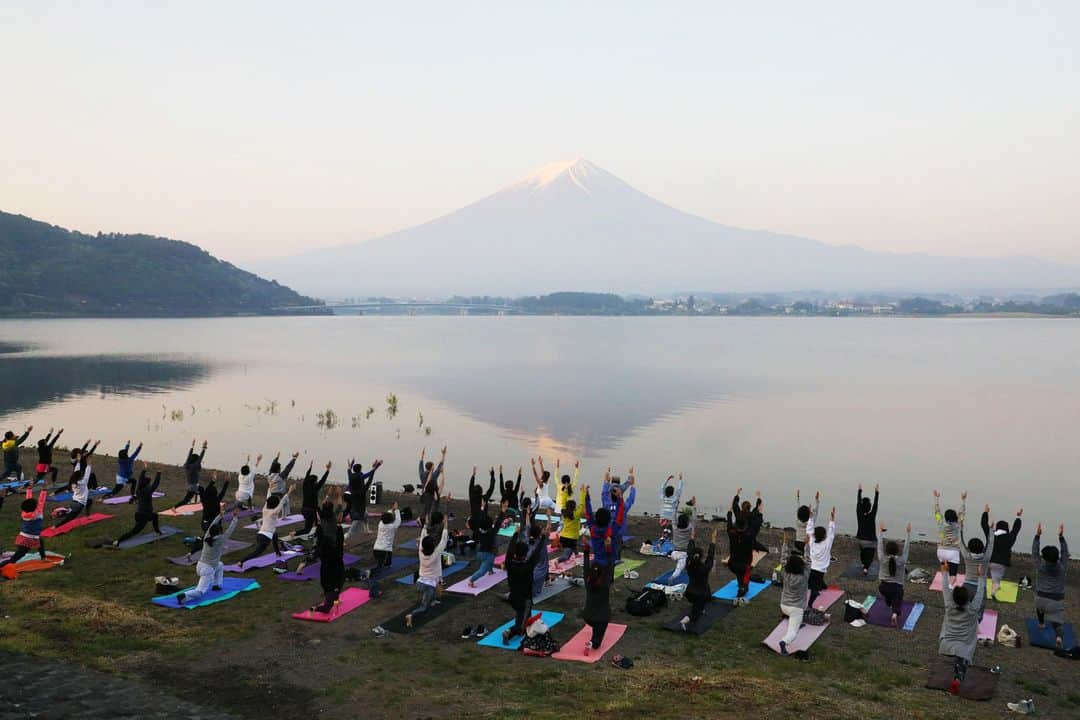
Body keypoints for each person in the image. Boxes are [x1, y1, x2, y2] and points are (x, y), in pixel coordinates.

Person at [501, 514, 552, 644]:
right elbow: (535, 554)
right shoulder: (527, 566)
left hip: (513, 596)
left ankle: (519, 627)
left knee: (521, 615)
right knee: (522, 625)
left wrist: (515, 536)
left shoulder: (510, 564)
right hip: (524, 599)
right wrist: (543, 538)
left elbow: (509, 552)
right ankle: (510, 632)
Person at [938, 560, 985, 695]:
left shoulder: (949, 604)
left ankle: (957, 671)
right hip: (964, 646)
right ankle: (958, 678)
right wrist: (981, 576)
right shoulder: (973, 609)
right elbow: (980, 592)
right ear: (967, 599)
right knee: (963, 657)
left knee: (958, 657)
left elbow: (945, 587)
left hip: (945, 644)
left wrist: (945, 571)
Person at [177, 508, 240, 605]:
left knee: (220, 565)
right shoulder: (220, 540)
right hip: (208, 569)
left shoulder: (207, 536)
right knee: (200, 592)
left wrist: (219, 516)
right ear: (219, 532)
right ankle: (184, 595)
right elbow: (230, 530)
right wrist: (235, 517)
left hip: (200, 565)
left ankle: (216, 585)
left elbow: (211, 526)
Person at [404, 517, 450, 628]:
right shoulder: (436, 553)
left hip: (420, 582)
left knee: (434, 589)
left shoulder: (421, 551)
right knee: (424, 607)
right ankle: (411, 615)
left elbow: (423, 536)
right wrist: (445, 524)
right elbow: (444, 539)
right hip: (428, 584)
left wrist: (425, 524)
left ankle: (433, 600)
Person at [237, 486, 295, 567]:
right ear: (276, 504)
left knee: (275, 534)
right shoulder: (275, 512)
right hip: (265, 538)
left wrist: (270, 488)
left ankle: (277, 553)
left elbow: (267, 499)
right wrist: (289, 491)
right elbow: (282, 501)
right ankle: (241, 561)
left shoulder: (265, 509)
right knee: (257, 553)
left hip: (260, 534)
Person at [1032, 523, 1070, 648]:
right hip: (1055, 602)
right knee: (1057, 622)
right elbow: (1065, 552)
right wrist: (1061, 537)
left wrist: (1037, 536)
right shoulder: (1062, 567)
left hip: (1040, 600)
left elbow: (1034, 551)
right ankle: (1058, 637)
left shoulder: (1040, 566)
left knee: (1040, 607)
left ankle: (1041, 623)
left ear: (1045, 557)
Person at [727, 489, 763, 604]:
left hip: (732, 562)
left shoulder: (732, 531)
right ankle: (743, 587)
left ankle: (741, 584)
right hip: (744, 557)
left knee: (739, 563)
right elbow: (757, 518)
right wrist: (758, 499)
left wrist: (737, 494)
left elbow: (734, 506)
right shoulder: (750, 534)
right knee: (746, 567)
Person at [309, 500, 346, 613]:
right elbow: (340, 542)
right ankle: (327, 603)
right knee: (336, 580)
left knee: (327, 579)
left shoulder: (321, 528)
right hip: (334, 556)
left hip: (326, 557)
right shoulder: (336, 526)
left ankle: (333, 598)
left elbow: (318, 541)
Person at [0, 486, 48, 568]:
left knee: (40, 542)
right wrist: (43, 490)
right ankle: (1, 566)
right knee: (15, 558)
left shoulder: (25, 512)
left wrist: (29, 489)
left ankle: (43, 557)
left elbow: (28, 499)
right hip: (27, 539)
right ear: (35, 507)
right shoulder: (36, 514)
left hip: (25, 536)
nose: (38, 504)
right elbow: (41, 502)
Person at [680, 525, 717, 630]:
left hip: (689, 593)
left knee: (705, 584)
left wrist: (692, 536)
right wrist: (713, 540)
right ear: (701, 557)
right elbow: (710, 556)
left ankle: (708, 598)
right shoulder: (704, 568)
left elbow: (690, 550)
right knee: (696, 613)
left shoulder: (689, 564)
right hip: (699, 595)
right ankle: (685, 620)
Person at [981, 504, 1022, 600]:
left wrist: (986, 512)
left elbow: (983, 524)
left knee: (982, 576)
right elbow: (1016, 530)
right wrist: (1018, 517)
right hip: (1001, 563)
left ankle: (980, 590)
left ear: (997, 527)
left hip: (988, 560)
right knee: (996, 581)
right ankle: (993, 592)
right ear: (1006, 528)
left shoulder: (991, 535)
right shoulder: (1010, 537)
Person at [113, 468, 163, 545]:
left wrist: (144, 470)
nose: (150, 485)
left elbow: (140, 479)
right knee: (133, 532)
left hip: (139, 514)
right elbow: (155, 484)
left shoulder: (139, 490)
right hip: (144, 516)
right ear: (147, 485)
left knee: (155, 516)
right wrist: (158, 473)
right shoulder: (147, 491)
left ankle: (157, 531)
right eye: (149, 484)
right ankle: (118, 541)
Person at [584, 484, 626, 574]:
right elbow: (620, 515)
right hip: (608, 563)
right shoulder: (611, 531)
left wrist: (586, 497)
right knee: (607, 582)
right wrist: (620, 498)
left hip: (596, 561)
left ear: (596, 518)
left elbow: (588, 513)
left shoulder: (592, 528)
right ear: (608, 520)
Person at [877, 522, 912, 627]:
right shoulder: (902, 561)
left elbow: (879, 546)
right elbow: (906, 548)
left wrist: (881, 532)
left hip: (883, 587)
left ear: (887, 551)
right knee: (897, 602)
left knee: (890, 599)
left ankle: (889, 602)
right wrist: (908, 533)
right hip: (897, 589)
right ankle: (894, 615)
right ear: (897, 551)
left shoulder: (882, 558)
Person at [960, 521, 994, 618]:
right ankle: (976, 625)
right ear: (982, 548)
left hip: (966, 585)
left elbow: (961, 542)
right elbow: (990, 544)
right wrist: (991, 530)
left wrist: (960, 528)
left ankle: (964, 622)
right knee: (979, 608)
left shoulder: (967, 556)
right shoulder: (986, 557)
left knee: (963, 606)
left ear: (969, 548)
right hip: (980, 587)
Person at [581, 543, 612, 654]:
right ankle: (593, 643)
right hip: (601, 618)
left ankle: (594, 636)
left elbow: (585, 567)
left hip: (587, 616)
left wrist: (586, 551)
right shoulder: (605, 584)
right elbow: (609, 567)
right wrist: (608, 551)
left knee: (597, 626)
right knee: (597, 640)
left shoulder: (588, 581)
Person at [778, 548, 810, 653]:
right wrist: (807, 545)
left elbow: (783, 560)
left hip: (783, 605)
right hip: (796, 609)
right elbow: (808, 560)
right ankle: (784, 642)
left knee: (794, 620)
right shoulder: (804, 576)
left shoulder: (785, 573)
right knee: (793, 632)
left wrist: (785, 543)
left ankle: (797, 623)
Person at [467, 500, 505, 587]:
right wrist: (502, 511)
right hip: (487, 555)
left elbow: (482, 517)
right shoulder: (491, 532)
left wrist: (482, 507)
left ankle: (491, 571)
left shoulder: (478, 530)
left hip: (479, 553)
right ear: (490, 525)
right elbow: (498, 522)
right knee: (482, 571)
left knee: (489, 560)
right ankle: (471, 581)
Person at [933, 489, 966, 585]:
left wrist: (936, 498)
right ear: (955, 517)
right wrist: (963, 500)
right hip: (953, 551)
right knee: (953, 574)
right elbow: (962, 513)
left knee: (944, 571)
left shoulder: (941, 523)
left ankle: (945, 585)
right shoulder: (958, 524)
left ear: (946, 517)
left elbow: (937, 512)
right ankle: (950, 586)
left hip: (941, 551)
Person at [806, 506, 836, 608]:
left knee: (812, 584)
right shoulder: (827, 544)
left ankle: (820, 587)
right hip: (820, 571)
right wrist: (832, 519)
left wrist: (810, 517)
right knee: (815, 589)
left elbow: (809, 530)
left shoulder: (812, 542)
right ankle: (809, 605)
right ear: (824, 536)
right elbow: (831, 532)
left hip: (812, 568)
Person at [344, 457, 382, 536]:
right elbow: (370, 475)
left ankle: (367, 530)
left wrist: (351, 464)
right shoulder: (362, 484)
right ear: (360, 470)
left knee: (366, 515)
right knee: (353, 528)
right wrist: (376, 466)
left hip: (354, 502)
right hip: (359, 510)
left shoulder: (351, 476)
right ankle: (344, 538)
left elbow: (348, 470)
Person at [295, 461, 332, 538]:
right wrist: (328, 470)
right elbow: (323, 480)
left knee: (310, 527)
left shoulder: (305, 485)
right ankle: (317, 536)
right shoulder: (316, 487)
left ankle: (294, 533)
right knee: (318, 524)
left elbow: (306, 476)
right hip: (312, 510)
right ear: (315, 481)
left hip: (304, 509)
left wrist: (310, 468)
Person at [54, 461, 95, 529]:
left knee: (90, 501)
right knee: (70, 518)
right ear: (80, 477)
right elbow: (87, 473)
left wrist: (79, 462)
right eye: (82, 475)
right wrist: (89, 464)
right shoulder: (83, 482)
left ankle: (87, 515)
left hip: (74, 501)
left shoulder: (73, 481)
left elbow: (76, 471)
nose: (83, 475)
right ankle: (56, 525)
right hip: (79, 504)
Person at [367, 502, 401, 579]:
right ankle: (370, 572)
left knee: (386, 556)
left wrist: (391, 509)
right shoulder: (392, 527)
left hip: (376, 549)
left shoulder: (381, 524)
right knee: (380, 566)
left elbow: (385, 516)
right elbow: (398, 520)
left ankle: (388, 563)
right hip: (383, 551)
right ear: (391, 520)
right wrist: (396, 510)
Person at [173, 440, 207, 509]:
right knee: (188, 499)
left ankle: (175, 507)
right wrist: (204, 448)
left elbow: (189, 456)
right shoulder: (194, 467)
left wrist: (192, 446)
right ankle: (205, 505)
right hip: (194, 487)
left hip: (191, 486)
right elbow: (200, 458)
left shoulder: (187, 465)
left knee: (188, 499)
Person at [556, 485, 586, 563]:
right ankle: (557, 561)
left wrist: (565, 491)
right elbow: (582, 504)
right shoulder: (577, 514)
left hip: (563, 537)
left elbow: (563, 502)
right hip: (571, 539)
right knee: (567, 556)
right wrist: (583, 492)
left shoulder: (564, 512)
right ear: (574, 507)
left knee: (574, 545)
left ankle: (576, 554)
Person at [669, 502, 697, 582]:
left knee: (681, 566)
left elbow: (673, 516)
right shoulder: (690, 528)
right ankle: (671, 579)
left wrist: (676, 505)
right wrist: (694, 506)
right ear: (687, 522)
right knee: (678, 570)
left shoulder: (675, 527)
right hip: (683, 554)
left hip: (673, 554)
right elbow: (694, 519)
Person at [855, 483, 879, 575]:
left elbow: (858, 503)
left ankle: (864, 563)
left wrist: (859, 491)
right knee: (870, 553)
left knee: (864, 551)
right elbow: (875, 505)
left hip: (860, 540)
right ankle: (866, 568)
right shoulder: (872, 515)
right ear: (869, 507)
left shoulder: (859, 514)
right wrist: (877, 493)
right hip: (871, 540)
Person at [266, 451, 298, 516]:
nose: (280, 469)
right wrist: (294, 458)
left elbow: (272, 465)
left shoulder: (269, 475)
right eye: (279, 469)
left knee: (272, 508)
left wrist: (277, 458)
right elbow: (288, 468)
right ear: (278, 470)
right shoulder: (281, 476)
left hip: (271, 494)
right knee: (286, 501)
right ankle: (284, 516)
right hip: (279, 495)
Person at [418, 446, 446, 522]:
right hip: (432, 494)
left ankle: (424, 520)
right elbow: (440, 465)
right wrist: (443, 454)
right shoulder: (433, 476)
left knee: (426, 509)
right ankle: (429, 521)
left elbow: (420, 465)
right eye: (433, 466)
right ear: (431, 468)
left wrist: (422, 455)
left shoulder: (422, 474)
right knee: (433, 509)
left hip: (425, 493)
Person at [794, 490, 820, 555]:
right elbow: (816, 511)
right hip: (807, 544)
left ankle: (802, 553)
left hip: (797, 543)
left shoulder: (797, 520)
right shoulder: (811, 522)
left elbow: (798, 508)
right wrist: (817, 501)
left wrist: (798, 497)